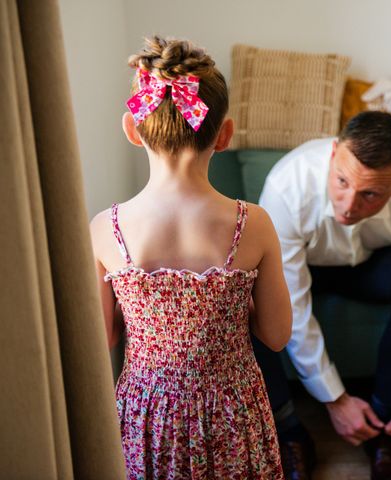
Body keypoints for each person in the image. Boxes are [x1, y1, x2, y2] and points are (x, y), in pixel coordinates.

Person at [89, 36, 292, 479]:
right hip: (232, 415)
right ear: (225, 135)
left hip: (147, 416)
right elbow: (276, 336)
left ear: (131, 128)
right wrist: (225, 306)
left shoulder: (107, 228)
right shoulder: (251, 223)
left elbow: (101, 337)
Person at [257, 111, 391, 479]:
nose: (349, 205)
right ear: (333, 154)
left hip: (373, 264)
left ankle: (382, 425)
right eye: (341, 181)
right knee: (247, 297)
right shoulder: (287, 187)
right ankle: (290, 432)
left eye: (370, 194)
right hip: (306, 266)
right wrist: (335, 399)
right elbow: (291, 303)